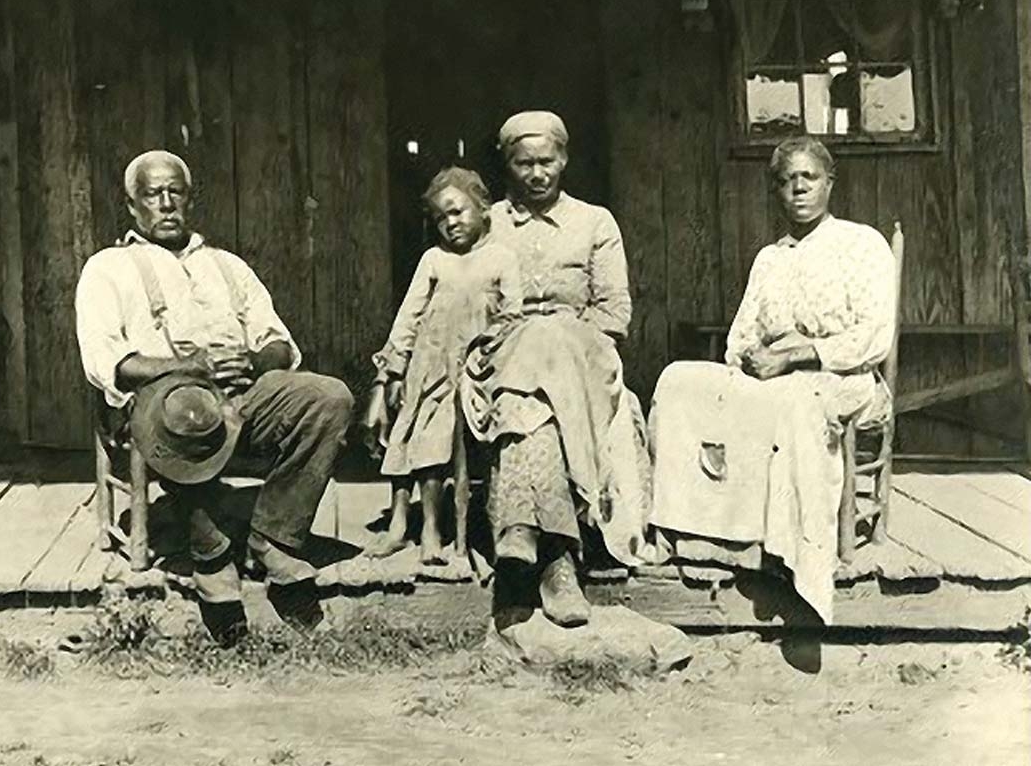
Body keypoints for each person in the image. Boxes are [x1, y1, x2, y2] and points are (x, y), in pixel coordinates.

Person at [75, 150, 353, 642]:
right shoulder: (108, 268)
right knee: (188, 408)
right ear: (131, 206)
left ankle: (273, 537)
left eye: (174, 193)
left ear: (190, 199)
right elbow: (108, 363)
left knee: (328, 398)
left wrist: (251, 364)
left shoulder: (226, 266)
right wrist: (189, 368)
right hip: (161, 410)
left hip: (240, 398)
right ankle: (211, 553)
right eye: (152, 195)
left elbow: (278, 342)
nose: (165, 204)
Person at [648, 136, 895, 624]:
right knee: (679, 381)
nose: (798, 189)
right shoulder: (770, 258)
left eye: (809, 178)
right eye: (786, 181)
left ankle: (799, 561)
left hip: (842, 375)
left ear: (830, 182)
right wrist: (754, 358)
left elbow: (874, 337)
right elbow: (741, 336)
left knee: (799, 401)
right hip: (774, 375)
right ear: (775, 192)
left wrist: (798, 355)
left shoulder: (861, 243)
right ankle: (697, 526)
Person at [461, 111, 651, 629]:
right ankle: (559, 562)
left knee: (545, 350)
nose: (537, 173)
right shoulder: (487, 223)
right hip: (502, 356)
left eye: (547, 161)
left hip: (582, 354)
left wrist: (557, 332)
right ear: (507, 165)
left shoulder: (595, 223)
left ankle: (520, 531)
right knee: (531, 395)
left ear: (564, 159)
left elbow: (615, 313)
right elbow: (464, 299)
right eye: (525, 164)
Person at [362, 166, 521, 565]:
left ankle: (437, 528)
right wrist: (392, 371)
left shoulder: (501, 258)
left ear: (483, 208)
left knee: (441, 448)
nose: (449, 224)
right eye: (439, 218)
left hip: (477, 372)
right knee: (409, 441)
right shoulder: (434, 260)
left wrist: (490, 355)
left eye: (457, 212)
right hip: (428, 369)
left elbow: (514, 314)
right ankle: (402, 525)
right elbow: (408, 318)